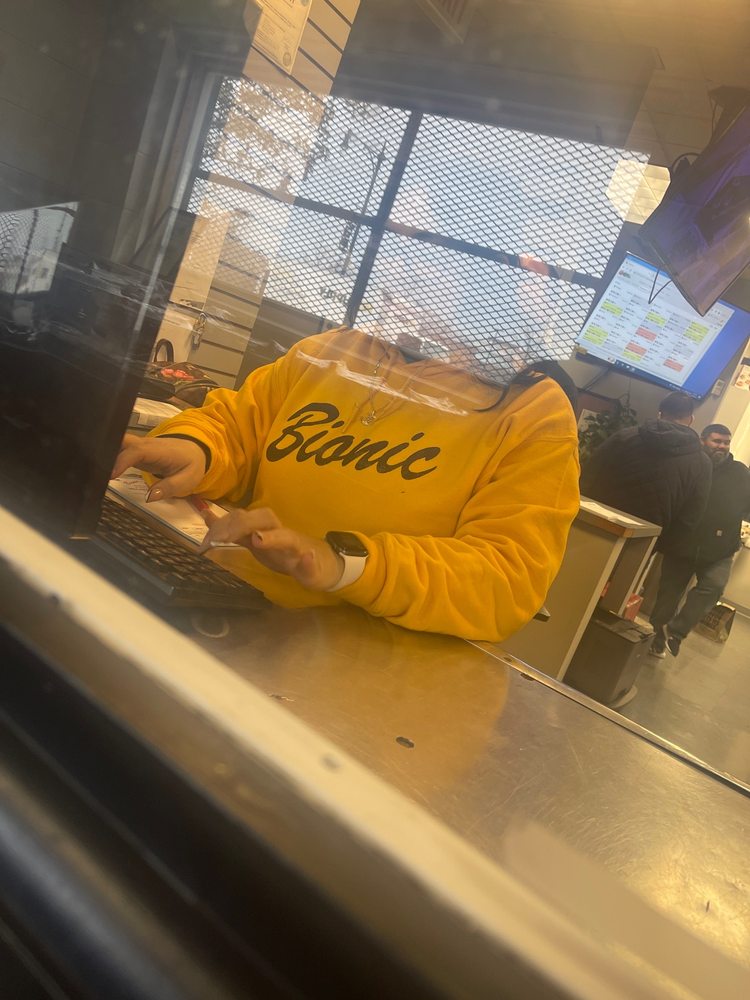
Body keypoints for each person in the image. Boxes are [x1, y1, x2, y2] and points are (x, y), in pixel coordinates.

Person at [113, 326, 580, 643]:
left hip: (363, 658)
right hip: (230, 608)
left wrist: (341, 562)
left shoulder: (534, 412)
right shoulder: (331, 352)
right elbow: (238, 426)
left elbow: (506, 579)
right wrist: (194, 448)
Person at [650, 424, 750, 657]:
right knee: (667, 597)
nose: (722, 447)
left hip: (720, 549)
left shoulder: (740, 474)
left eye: (726, 442)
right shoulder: (692, 465)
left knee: (714, 586)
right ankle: (657, 640)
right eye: (716, 441)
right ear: (703, 440)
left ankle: (675, 632)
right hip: (682, 544)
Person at [579, 391, 712, 551]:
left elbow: (588, 476)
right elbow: (690, 517)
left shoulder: (625, 437)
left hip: (594, 525)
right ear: (691, 420)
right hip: (643, 543)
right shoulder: (702, 463)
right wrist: (658, 546)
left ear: (660, 414)